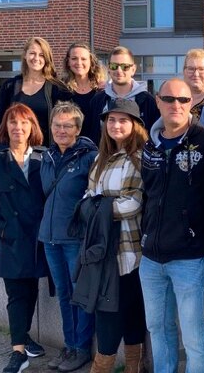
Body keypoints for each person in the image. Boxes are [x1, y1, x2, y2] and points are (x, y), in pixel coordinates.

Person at [139, 78, 204, 373]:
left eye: (184, 100)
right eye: (170, 99)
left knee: (192, 333)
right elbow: (147, 195)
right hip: (151, 257)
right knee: (157, 328)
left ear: (192, 104)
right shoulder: (150, 145)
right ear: (158, 102)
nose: (176, 105)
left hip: (190, 257)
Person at [71, 98, 148, 373]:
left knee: (130, 314)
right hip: (102, 251)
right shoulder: (99, 159)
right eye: (111, 120)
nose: (116, 125)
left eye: (123, 120)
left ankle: (132, 367)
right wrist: (100, 205)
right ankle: (102, 367)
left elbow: (134, 203)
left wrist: (99, 206)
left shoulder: (138, 158)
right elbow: (86, 198)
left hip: (129, 250)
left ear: (135, 125)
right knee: (107, 313)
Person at [0, 103, 48, 373]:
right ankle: (18, 351)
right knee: (16, 293)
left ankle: (24, 335)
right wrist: (1, 228)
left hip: (38, 237)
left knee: (30, 290)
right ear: (5, 126)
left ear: (32, 127)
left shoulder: (44, 156)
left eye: (24, 123)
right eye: (13, 123)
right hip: (12, 236)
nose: (18, 128)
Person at [39, 101, 98, 372]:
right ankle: (71, 345)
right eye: (57, 125)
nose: (61, 130)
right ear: (50, 127)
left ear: (78, 128)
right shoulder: (47, 157)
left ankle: (82, 348)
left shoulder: (89, 156)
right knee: (63, 294)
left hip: (75, 239)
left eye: (67, 126)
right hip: (50, 239)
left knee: (78, 295)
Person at [0, 37, 72, 146]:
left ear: (47, 58)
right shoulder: (10, 86)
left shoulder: (58, 88)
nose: (36, 58)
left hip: (47, 153)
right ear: (25, 56)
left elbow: (66, 124)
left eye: (41, 55)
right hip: (16, 152)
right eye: (32, 53)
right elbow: (2, 124)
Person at [84, 46, 160, 144]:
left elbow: (153, 136)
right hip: (104, 157)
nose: (119, 70)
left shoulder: (148, 101)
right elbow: (92, 134)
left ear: (133, 69)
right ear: (108, 68)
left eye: (125, 67)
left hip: (138, 157)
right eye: (114, 66)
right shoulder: (98, 100)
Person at [61, 42, 107, 137]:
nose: (79, 63)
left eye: (83, 59)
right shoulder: (61, 90)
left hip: (98, 148)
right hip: (71, 147)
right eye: (74, 58)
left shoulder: (102, 90)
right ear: (68, 62)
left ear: (91, 62)